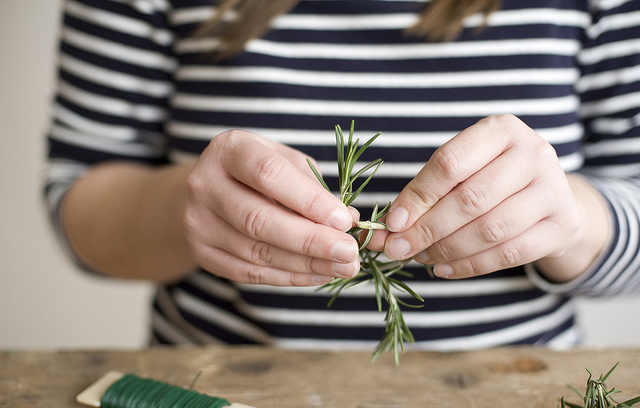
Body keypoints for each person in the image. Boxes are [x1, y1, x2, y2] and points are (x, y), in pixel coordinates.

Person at [45, 0, 640, 352]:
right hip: (222, 396)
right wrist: (183, 205)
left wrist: (574, 220)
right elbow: (76, 204)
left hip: (513, 395)